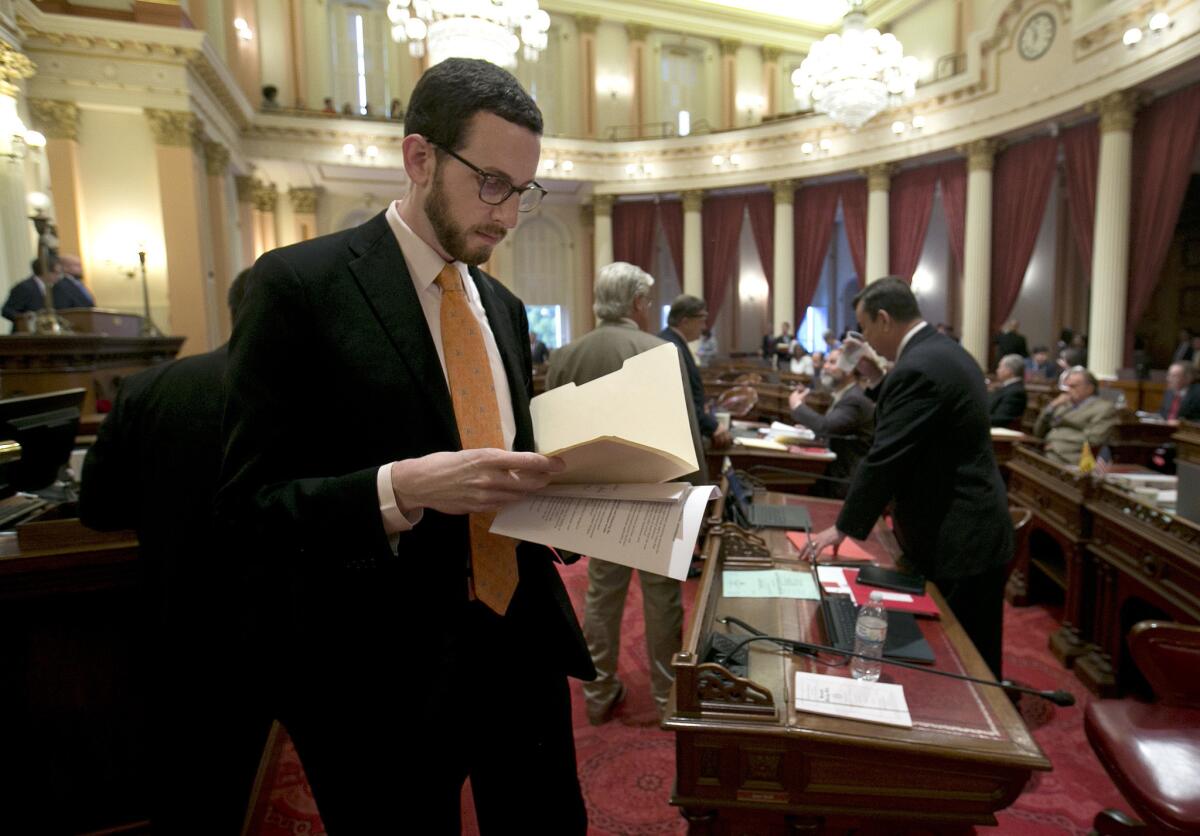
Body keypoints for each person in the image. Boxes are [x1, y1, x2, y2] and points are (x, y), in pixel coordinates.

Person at [217, 58, 592, 833]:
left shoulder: (505, 306)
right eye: (491, 182)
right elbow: (252, 507)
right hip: (379, 666)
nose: (508, 216)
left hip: (519, 639)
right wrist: (402, 489)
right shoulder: (297, 287)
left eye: (523, 192)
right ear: (419, 158)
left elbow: (501, 465)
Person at [79, 269, 272, 834]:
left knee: (191, 783)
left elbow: (98, 509)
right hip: (280, 626)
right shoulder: (316, 393)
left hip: (176, 612)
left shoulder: (148, 387)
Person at [807, 278, 1012, 678]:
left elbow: (886, 455)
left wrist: (844, 527)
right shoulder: (940, 352)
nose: (865, 339)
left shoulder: (918, 366)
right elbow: (919, 421)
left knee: (960, 662)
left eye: (865, 328)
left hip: (959, 531)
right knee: (970, 653)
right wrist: (876, 381)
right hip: (972, 522)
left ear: (884, 319)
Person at [546, 263, 704, 725]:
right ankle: (665, 698)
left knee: (601, 597)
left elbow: (553, 436)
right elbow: (686, 433)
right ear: (637, 302)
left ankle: (597, 695)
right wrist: (699, 497)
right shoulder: (658, 351)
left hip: (594, 495)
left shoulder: (566, 355)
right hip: (656, 495)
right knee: (662, 600)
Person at [787, 346, 874, 498]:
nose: (825, 366)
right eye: (826, 361)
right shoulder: (844, 394)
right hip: (833, 473)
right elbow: (835, 429)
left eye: (832, 362)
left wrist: (797, 405)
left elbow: (825, 426)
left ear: (850, 368)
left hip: (845, 482)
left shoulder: (855, 398)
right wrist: (808, 430)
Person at [659, 294, 732, 449]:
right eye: (702, 319)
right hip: (677, 439)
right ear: (685, 321)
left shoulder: (672, 342)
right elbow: (680, 402)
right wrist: (712, 426)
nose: (704, 326)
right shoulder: (670, 347)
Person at [1032, 366, 1118, 465]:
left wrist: (1056, 443)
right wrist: (1051, 407)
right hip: (1047, 452)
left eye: (1073, 386)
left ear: (1089, 388)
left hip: (1071, 458)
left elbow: (1094, 439)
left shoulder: (1103, 408)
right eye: (1067, 386)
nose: (1068, 390)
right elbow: (1038, 432)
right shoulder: (1064, 404)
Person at [3, 255, 95, 325]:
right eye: (57, 273)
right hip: (24, 335)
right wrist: (27, 318)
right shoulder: (25, 287)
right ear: (45, 272)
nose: (59, 277)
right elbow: (7, 311)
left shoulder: (49, 288)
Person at [988, 354, 1028, 429]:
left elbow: (1001, 419)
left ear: (1009, 371)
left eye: (1000, 367)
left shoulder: (1016, 392)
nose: (997, 370)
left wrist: (976, 419)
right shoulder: (1008, 388)